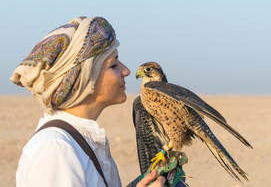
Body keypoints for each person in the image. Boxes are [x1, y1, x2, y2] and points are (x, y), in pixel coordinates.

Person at [10, 16, 169, 187]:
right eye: (113, 65)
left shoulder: (81, 139)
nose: (126, 71)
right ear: (82, 80)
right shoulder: (55, 149)